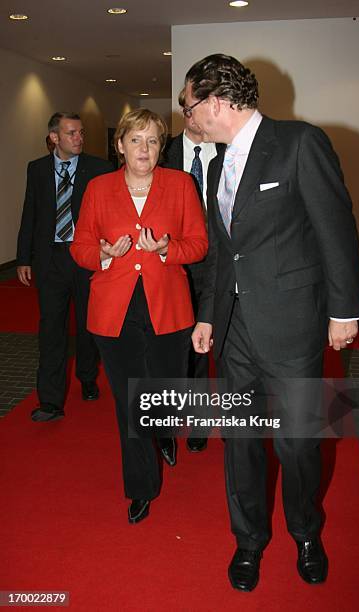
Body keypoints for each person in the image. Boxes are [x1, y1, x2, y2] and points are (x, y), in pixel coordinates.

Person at [186, 54, 359, 591]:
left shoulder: (299, 142)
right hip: (234, 327)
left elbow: (336, 228)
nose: (186, 116)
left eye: (188, 105)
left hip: (292, 326)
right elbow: (222, 251)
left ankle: (306, 533)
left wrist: (344, 310)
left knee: (297, 442)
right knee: (239, 439)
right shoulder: (215, 164)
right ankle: (249, 541)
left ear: (215, 101)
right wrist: (207, 316)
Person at [70, 108, 208, 524]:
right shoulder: (98, 187)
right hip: (114, 309)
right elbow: (80, 247)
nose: (143, 149)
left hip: (168, 304)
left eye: (151, 141)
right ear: (119, 145)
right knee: (130, 402)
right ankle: (141, 486)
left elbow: (199, 245)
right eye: (135, 140)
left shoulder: (181, 184)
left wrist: (166, 249)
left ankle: (164, 431)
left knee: (164, 392)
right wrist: (103, 256)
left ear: (160, 146)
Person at [17, 112, 113, 422]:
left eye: (81, 132)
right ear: (54, 137)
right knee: (51, 329)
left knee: (87, 324)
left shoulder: (99, 169)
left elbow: (109, 214)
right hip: (50, 260)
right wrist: (23, 258)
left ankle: (86, 376)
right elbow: (30, 213)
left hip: (86, 257)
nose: (79, 138)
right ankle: (50, 401)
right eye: (72, 133)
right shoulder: (37, 169)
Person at [163, 88, 221, 452]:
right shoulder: (163, 152)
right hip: (169, 260)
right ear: (188, 113)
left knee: (206, 343)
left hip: (215, 262)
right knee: (171, 344)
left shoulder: (229, 151)